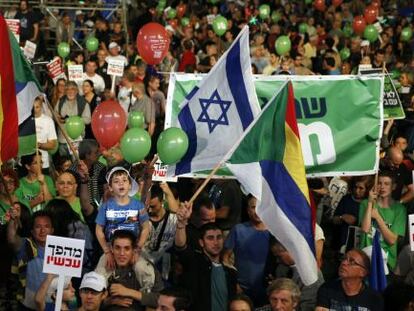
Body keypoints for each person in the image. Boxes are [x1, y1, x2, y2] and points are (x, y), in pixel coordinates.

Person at [174, 202, 237, 311]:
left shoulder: (231, 273)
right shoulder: (194, 262)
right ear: (201, 242)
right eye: (210, 238)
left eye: (219, 237)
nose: (216, 242)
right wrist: (181, 223)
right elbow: (181, 247)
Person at [95, 167, 150, 270]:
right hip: (111, 250)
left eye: (124, 180)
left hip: (133, 249)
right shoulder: (105, 206)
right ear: (110, 187)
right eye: (116, 181)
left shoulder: (139, 205)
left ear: (130, 185)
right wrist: (107, 251)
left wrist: (137, 250)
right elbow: (98, 229)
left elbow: (146, 228)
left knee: (143, 270)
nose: (121, 183)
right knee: (100, 273)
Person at [223, 195, 270, 306]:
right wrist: (234, 282)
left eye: (260, 206)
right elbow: (225, 258)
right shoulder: (238, 230)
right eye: (253, 207)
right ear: (248, 210)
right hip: (242, 289)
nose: (257, 211)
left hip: (268, 289)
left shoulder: (275, 232)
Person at [103, 230, 163, 310]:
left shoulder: (145, 268)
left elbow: (161, 299)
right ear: (111, 249)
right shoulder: (104, 266)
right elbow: (90, 301)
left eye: (127, 248)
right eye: (117, 248)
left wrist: (128, 292)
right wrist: (110, 301)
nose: (122, 253)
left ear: (134, 250)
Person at [359, 171, 406, 270]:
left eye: (386, 184)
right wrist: (370, 203)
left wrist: (378, 218)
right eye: (379, 183)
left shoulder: (399, 209)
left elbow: (392, 240)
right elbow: (365, 229)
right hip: (365, 258)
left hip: (386, 262)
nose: (382, 187)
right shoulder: (365, 204)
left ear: (393, 186)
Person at [7, 209, 54, 310]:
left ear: (52, 230)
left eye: (46, 226)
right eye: (38, 227)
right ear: (32, 231)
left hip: (51, 305)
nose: (42, 230)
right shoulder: (25, 245)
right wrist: (12, 220)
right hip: (27, 305)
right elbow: (11, 239)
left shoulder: (60, 248)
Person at [315, 249, 384, 310]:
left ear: (363, 272)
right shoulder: (327, 289)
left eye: (352, 262)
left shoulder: (374, 298)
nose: (344, 263)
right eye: (344, 259)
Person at [268, 239, 324, 311]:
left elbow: (308, 306)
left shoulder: (311, 274)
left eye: (279, 256)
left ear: (291, 251)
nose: (277, 260)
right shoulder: (281, 268)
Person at [142, 183, 178, 270]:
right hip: (143, 267)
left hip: (165, 268)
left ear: (162, 202)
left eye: (153, 206)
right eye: (147, 206)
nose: (149, 209)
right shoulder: (141, 219)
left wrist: (168, 191)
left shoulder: (173, 220)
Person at [55, 81, 91, 156]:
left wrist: (70, 120)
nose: (70, 91)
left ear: (77, 90)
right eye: (67, 89)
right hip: (63, 139)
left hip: (77, 140)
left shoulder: (83, 102)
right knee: (64, 165)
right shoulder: (60, 101)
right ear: (65, 91)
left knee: (76, 165)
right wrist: (57, 118)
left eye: (72, 89)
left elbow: (88, 120)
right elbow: (55, 114)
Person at [33, 97, 57, 173]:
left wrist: (39, 145)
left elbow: (52, 145)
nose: (34, 109)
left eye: (37, 107)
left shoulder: (48, 121)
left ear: (41, 107)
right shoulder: (25, 120)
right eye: (33, 107)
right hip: (27, 164)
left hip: (43, 163)